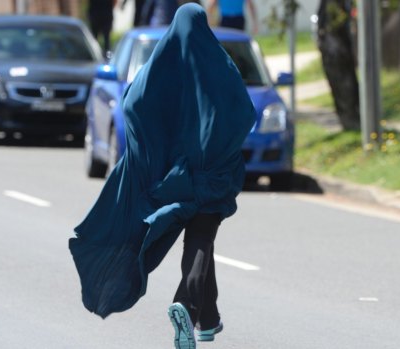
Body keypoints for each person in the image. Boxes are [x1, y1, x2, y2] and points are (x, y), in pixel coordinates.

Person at [68, 3, 256, 349]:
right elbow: (244, 113)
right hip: (214, 176)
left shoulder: (162, 66)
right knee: (200, 242)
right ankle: (184, 304)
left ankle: (208, 321)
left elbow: (133, 105)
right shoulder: (219, 66)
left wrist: (152, 150)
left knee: (200, 245)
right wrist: (220, 147)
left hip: (176, 177)